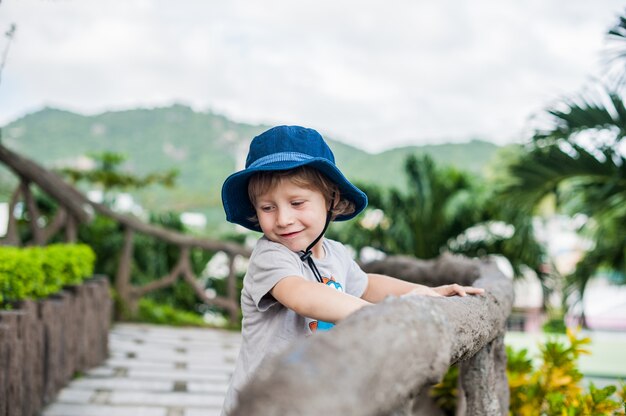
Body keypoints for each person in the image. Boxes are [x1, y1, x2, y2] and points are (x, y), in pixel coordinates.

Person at [220, 125, 484, 414]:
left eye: (297, 203)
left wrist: (420, 292)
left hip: (316, 399)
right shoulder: (270, 256)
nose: (283, 219)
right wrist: (376, 315)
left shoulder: (337, 255)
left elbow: (368, 285)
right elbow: (301, 294)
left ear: (330, 200)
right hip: (265, 403)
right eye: (268, 208)